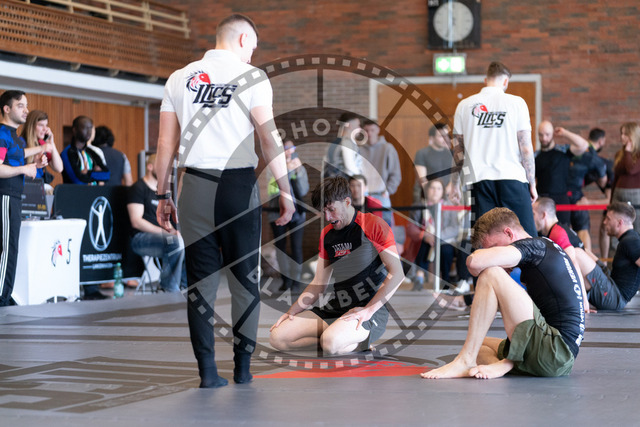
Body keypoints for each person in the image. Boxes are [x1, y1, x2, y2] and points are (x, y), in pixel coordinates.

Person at [154, 14, 295, 388]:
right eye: (254, 47)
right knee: (244, 282)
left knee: (200, 284)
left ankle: (207, 373)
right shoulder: (252, 77)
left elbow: (165, 144)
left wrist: (162, 193)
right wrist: (285, 190)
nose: (253, 55)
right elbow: (268, 138)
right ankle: (243, 370)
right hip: (237, 187)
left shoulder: (178, 78)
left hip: (194, 186)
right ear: (243, 38)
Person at [422, 207, 585, 379]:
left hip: (554, 350)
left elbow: (474, 262)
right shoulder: (544, 249)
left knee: (491, 272)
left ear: (508, 233)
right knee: (478, 344)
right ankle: (504, 364)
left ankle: (465, 360)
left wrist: (488, 260)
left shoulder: (534, 246)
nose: (495, 255)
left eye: (493, 248)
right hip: (556, 356)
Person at [269, 176, 404, 355]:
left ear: (347, 202)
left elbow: (397, 273)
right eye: (323, 211)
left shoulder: (373, 225)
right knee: (277, 337)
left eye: (331, 210)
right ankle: (336, 335)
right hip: (336, 307)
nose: (327, 217)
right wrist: (292, 311)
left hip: (368, 310)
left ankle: (349, 339)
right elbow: (318, 283)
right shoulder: (327, 235)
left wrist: (368, 311)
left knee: (331, 343)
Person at [449, 62, 537, 237]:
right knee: (526, 239)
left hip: (478, 180)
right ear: (505, 81)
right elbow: (526, 148)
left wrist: (454, 184)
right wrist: (532, 183)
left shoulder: (464, 106)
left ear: (485, 80)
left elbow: (458, 151)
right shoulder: (517, 103)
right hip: (512, 177)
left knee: (484, 240)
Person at [0, 90, 48, 306]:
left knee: (10, 248)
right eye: (20, 105)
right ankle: (2, 297)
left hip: (13, 197)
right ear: (6, 109)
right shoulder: (2, 134)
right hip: (6, 196)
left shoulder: (15, 138)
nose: (26, 110)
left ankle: (4, 294)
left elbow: (17, 158)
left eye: (26, 106)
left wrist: (35, 164)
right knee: (8, 249)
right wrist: (24, 169)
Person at [127, 153, 185, 293]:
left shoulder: (163, 193)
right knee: (174, 242)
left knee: (186, 241)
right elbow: (136, 221)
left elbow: (167, 221)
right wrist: (165, 232)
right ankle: (168, 288)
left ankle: (183, 285)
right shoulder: (138, 188)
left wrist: (174, 232)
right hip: (140, 239)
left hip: (162, 238)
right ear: (150, 167)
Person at [572, 202, 640, 311]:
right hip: (612, 284)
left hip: (615, 298)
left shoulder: (631, 241)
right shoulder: (630, 238)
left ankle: (579, 301)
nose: (604, 222)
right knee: (583, 250)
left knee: (577, 253)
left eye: (608, 219)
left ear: (620, 223)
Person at [532, 197, 591, 311]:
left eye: (533, 214)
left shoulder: (558, 233)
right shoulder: (556, 231)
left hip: (597, 291)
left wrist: (583, 300)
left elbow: (574, 264)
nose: (531, 218)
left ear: (543, 215)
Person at [267, 139, 309, 292]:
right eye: (286, 148)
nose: (290, 151)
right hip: (276, 212)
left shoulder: (299, 167)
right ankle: (286, 281)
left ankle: (296, 281)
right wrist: (287, 171)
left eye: (292, 148)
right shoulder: (272, 167)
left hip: (297, 214)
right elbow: (272, 191)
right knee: (281, 248)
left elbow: (303, 190)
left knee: (296, 247)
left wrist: (297, 171)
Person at [360, 119, 401, 226]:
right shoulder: (359, 150)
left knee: (385, 229)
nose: (369, 133)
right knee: (364, 230)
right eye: (367, 130)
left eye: (372, 130)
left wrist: (388, 191)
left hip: (382, 195)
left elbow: (395, 174)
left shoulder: (388, 148)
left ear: (378, 130)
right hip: (363, 196)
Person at [20, 110, 63, 192]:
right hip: (26, 188)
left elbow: (59, 168)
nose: (45, 129)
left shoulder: (42, 144)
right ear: (31, 126)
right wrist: (35, 164)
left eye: (46, 125)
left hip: (39, 187)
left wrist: (51, 142)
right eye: (41, 125)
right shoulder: (21, 142)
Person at [60, 116, 110, 185]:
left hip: (93, 191)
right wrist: (96, 174)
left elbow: (106, 175)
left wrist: (88, 173)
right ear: (75, 130)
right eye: (85, 128)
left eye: (90, 128)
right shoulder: (68, 152)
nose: (89, 131)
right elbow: (77, 180)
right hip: (74, 191)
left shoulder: (91, 152)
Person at [611, 122, 640, 233]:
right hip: (618, 193)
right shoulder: (620, 154)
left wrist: (628, 151)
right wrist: (611, 200)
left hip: (635, 196)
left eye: (625, 134)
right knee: (616, 225)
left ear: (633, 136)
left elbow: (631, 170)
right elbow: (616, 176)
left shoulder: (637, 154)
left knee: (636, 227)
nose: (622, 137)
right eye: (621, 133)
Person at [413, 123, 454, 202]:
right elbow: (422, 179)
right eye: (441, 136)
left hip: (447, 196)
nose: (445, 139)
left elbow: (454, 178)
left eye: (446, 135)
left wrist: (443, 193)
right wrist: (435, 195)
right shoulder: (422, 153)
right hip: (427, 197)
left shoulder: (452, 154)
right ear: (432, 138)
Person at [323, 112, 363, 179]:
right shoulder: (347, 142)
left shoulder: (333, 143)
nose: (360, 128)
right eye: (358, 125)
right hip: (344, 181)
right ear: (350, 126)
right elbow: (350, 166)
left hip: (332, 181)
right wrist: (360, 177)